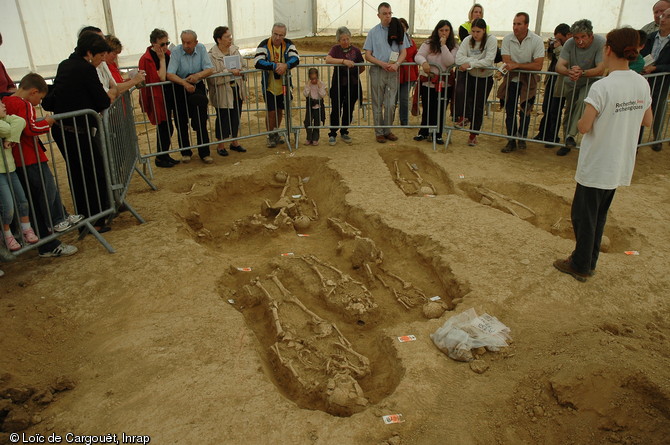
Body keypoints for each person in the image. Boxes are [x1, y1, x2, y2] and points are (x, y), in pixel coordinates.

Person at [554, 27, 653, 282]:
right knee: (598, 215)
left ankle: (580, 264)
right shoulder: (642, 83)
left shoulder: (602, 87)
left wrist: (578, 124)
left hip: (598, 163)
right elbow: (648, 120)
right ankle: (589, 260)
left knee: (582, 215)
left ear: (608, 49)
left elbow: (584, 126)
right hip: (619, 162)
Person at [42, 32, 113, 235]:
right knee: (90, 174)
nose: (101, 61)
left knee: (80, 175)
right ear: (90, 52)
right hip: (75, 131)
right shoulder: (85, 69)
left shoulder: (66, 64)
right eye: (100, 56)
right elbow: (102, 101)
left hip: (66, 130)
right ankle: (94, 219)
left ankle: (90, 218)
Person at [5, 73, 80, 257]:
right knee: (47, 189)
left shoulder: (7, 102)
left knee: (36, 195)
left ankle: (53, 222)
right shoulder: (24, 104)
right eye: (39, 98)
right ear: (34, 92)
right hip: (31, 156)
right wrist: (47, 123)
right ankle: (57, 219)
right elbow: (30, 128)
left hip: (18, 159)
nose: (39, 102)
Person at [554, 20, 606, 156]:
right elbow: (559, 66)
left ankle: (571, 135)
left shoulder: (601, 42)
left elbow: (601, 68)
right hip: (572, 81)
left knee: (583, 100)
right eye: (576, 38)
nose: (579, 41)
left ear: (591, 36)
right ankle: (567, 140)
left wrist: (582, 73)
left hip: (592, 82)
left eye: (583, 37)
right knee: (569, 110)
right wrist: (569, 72)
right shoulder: (570, 43)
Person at [499, 12, 545, 153]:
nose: (515, 27)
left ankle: (522, 138)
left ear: (526, 25)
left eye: (519, 24)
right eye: (514, 23)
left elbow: (538, 65)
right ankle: (511, 139)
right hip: (512, 80)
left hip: (529, 81)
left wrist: (517, 66)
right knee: (510, 110)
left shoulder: (537, 40)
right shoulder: (507, 39)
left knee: (526, 110)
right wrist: (524, 65)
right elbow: (506, 61)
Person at [364, 3, 410, 143]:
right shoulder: (372, 32)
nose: (388, 16)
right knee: (377, 103)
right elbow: (368, 55)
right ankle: (379, 132)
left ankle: (388, 130)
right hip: (378, 71)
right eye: (384, 13)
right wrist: (382, 63)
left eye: (389, 13)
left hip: (393, 72)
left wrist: (396, 64)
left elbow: (404, 52)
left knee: (390, 103)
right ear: (378, 15)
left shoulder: (398, 30)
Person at [167, 30, 215, 164]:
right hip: (179, 88)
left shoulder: (201, 49)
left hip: (197, 87)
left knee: (201, 121)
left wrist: (197, 76)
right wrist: (184, 83)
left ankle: (204, 153)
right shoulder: (176, 51)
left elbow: (210, 69)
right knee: (181, 121)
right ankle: (185, 152)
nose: (186, 45)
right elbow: (170, 74)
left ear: (196, 42)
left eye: (189, 42)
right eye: (183, 42)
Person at [138, 28, 180, 168]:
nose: (165, 47)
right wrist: (162, 60)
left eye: (167, 43)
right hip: (157, 97)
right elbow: (161, 77)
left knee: (168, 127)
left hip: (168, 95)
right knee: (164, 126)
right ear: (153, 44)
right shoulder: (147, 58)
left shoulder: (168, 53)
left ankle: (164, 154)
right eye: (162, 44)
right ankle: (160, 157)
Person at [254, 23, 300, 148]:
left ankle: (276, 132)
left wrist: (286, 65)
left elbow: (295, 58)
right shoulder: (264, 44)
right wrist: (274, 66)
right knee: (271, 111)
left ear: (284, 35)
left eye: (281, 35)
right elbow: (257, 61)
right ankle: (270, 135)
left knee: (280, 110)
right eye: (275, 34)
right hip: (269, 85)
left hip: (284, 85)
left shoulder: (289, 44)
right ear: (271, 32)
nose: (278, 37)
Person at [0, 103, 38, 251]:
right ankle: (6, 234)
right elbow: (7, 128)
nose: (4, 105)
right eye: (0, 104)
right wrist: (12, 133)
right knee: (7, 206)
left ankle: (26, 229)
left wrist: (11, 139)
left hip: (10, 168)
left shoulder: (6, 119)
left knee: (22, 200)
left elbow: (20, 121)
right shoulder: (5, 123)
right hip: (1, 172)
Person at [414, 20, 458, 145]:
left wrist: (443, 46)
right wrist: (424, 62)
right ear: (437, 31)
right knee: (428, 106)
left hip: (445, 83)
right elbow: (419, 55)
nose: (444, 33)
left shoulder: (454, 46)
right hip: (428, 81)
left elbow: (449, 62)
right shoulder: (428, 43)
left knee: (441, 108)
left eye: (446, 30)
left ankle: (437, 134)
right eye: (441, 30)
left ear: (450, 31)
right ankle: (423, 131)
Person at [454, 18, 497, 146]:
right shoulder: (467, 40)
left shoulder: (491, 40)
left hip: (485, 78)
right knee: (464, 95)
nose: (475, 34)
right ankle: (463, 117)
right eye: (473, 31)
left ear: (484, 30)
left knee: (479, 106)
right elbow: (458, 59)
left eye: (478, 31)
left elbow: (489, 60)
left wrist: (470, 63)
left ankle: (473, 134)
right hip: (471, 75)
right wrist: (477, 63)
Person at [208, 26, 247, 157]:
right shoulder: (211, 55)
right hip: (222, 92)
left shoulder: (235, 50)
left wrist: (241, 71)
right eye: (227, 37)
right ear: (219, 39)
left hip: (236, 88)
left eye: (230, 36)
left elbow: (244, 65)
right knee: (223, 117)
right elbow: (212, 77)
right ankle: (221, 145)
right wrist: (229, 72)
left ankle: (234, 142)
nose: (230, 39)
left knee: (236, 115)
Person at [325, 26, 365, 146]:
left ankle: (344, 131)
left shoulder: (356, 51)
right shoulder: (335, 49)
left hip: (352, 84)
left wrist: (353, 73)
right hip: (338, 83)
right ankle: (332, 133)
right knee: (336, 108)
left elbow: (362, 66)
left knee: (349, 108)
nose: (346, 41)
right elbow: (328, 59)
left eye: (347, 39)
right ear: (338, 40)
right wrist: (343, 61)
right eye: (343, 39)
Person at [534, 23, 571, 147]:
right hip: (551, 79)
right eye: (556, 38)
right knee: (546, 107)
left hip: (561, 82)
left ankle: (552, 136)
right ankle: (542, 133)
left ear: (568, 36)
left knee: (555, 109)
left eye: (561, 39)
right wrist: (551, 48)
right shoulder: (558, 47)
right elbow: (550, 58)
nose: (558, 41)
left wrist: (559, 48)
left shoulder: (570, 47)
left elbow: (566, 62)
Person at [641, 7, 670, 151]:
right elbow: (641, 55)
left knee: (659, 108)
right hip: (645, 78)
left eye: (667, 16)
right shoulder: (650, 36)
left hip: (662, 81)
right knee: (640, 108)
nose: (662, 18)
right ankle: (636, 141)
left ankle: (657, 138)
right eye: (661, 15)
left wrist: (657, 68)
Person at [397, 18, 418, 126]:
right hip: (394, 74)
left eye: (403, 27)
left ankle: (404, 121)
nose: (402, 29)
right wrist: (400, 59)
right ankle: (388, 122)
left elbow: (414, 57)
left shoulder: (411, 42)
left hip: (408, 75)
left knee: (404, 99)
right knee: (391, 100)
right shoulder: (393, 41)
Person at [302, 68, 327, 146]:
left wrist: (319, 87)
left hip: (318, 106)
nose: (313, 81)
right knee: (307, 122)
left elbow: (323, 95)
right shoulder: (308, 84)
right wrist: (308, 86)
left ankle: (315, 138)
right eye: (312, 79)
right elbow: (305, 94)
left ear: (318, 77)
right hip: (310, 105)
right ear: (309, 78)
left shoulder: (321, 84)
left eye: (315, 78)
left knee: (317, 122)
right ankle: (309, 137)